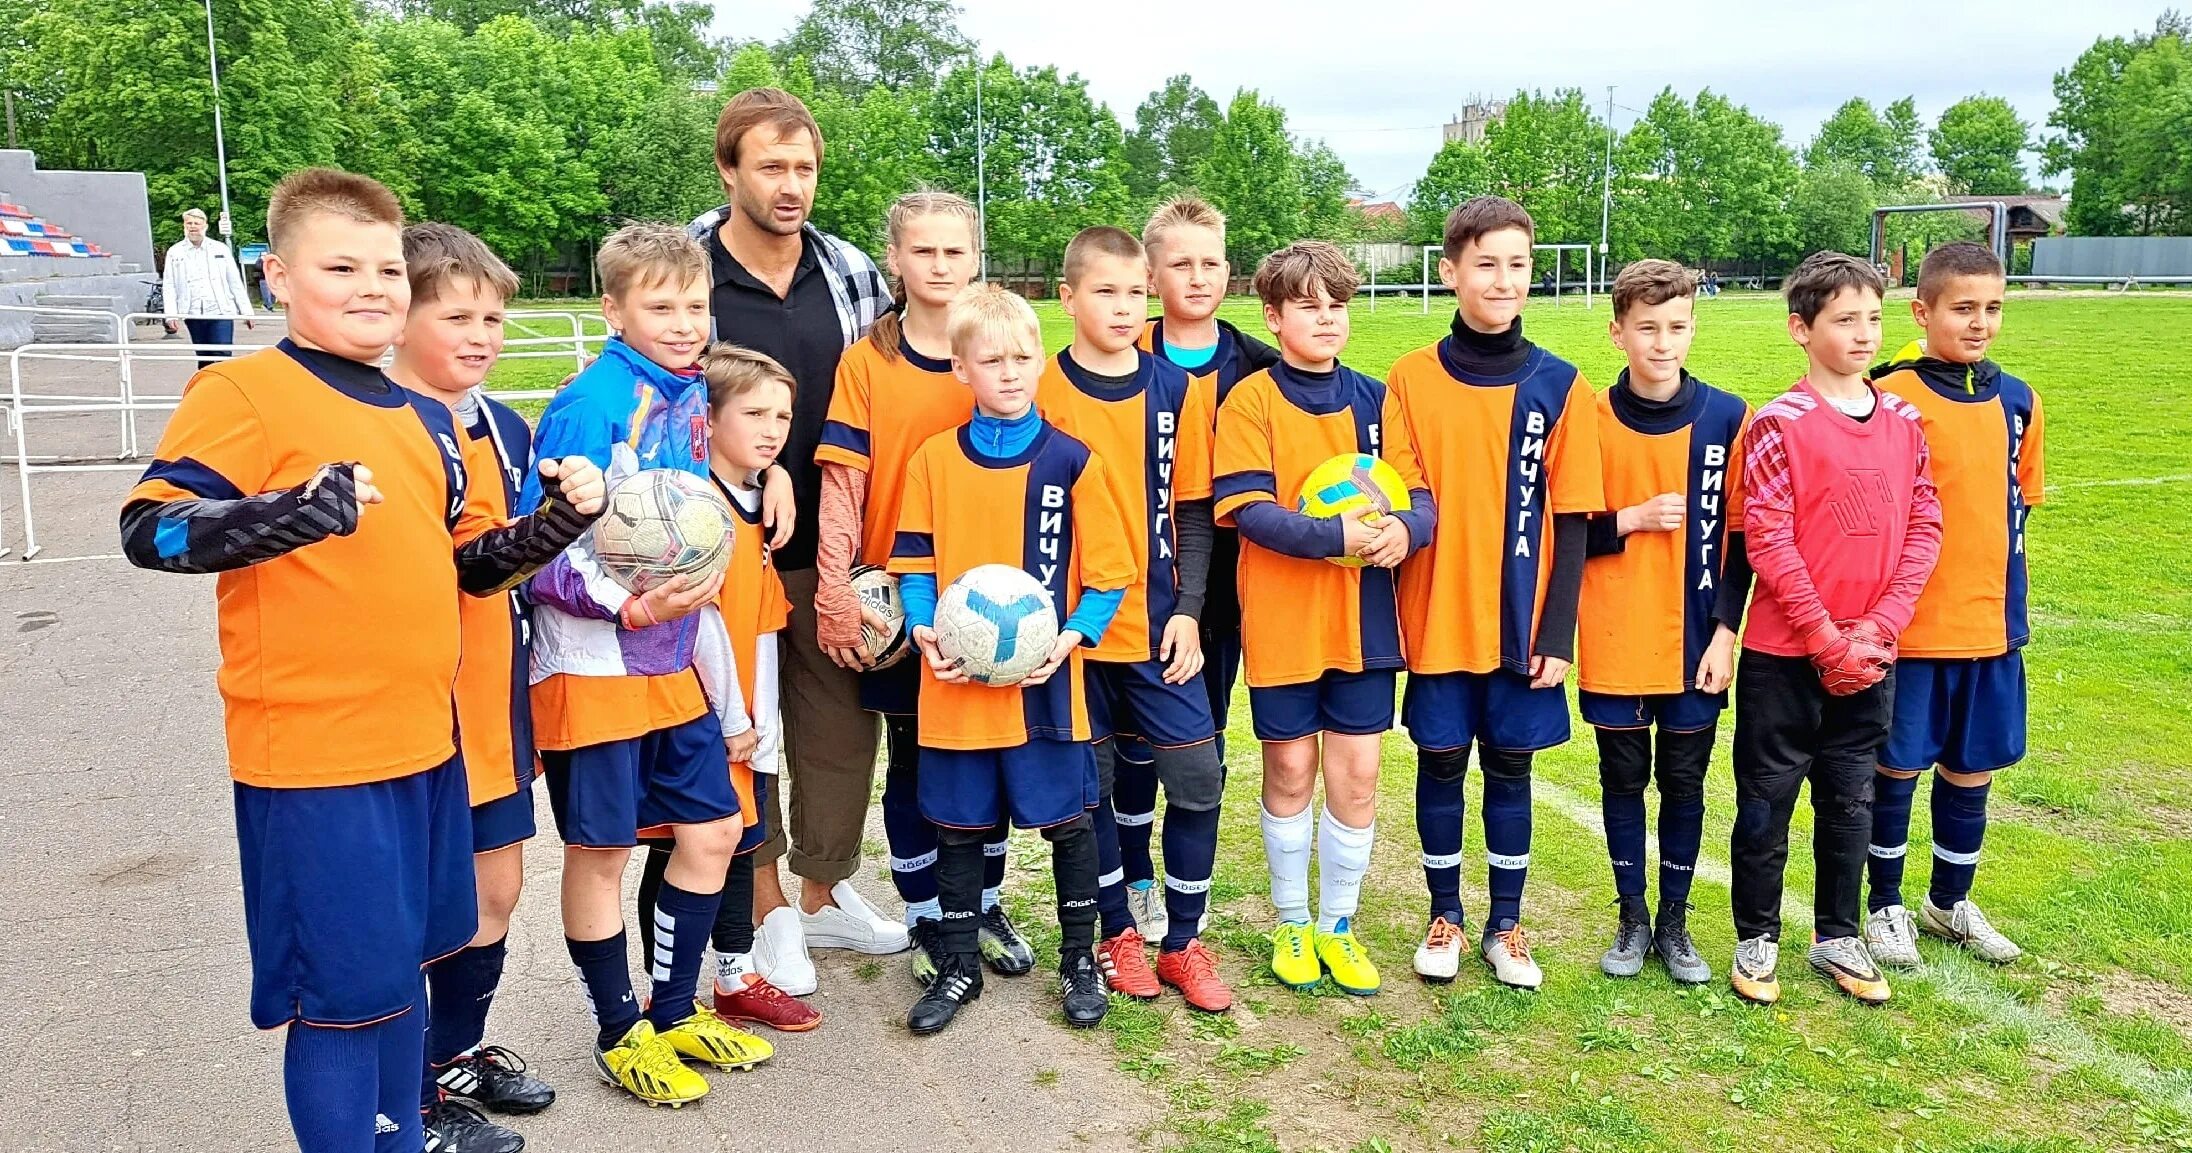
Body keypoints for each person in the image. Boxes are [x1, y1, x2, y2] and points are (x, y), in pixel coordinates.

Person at [117, 168, 603, 1153]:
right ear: (278, 278)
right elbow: (147, 526)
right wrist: (278, 515)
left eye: (387, 267)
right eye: (342, 265)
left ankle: (406, 1132)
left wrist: (556, 522)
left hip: (427, 751)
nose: (373, 284)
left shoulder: (425, 420)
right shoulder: (243, 389)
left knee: (397, 980)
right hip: (314, 764)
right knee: (340, 1001)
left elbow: (468, 568)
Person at [522, 222, 771, 1107]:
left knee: (711, 833)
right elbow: (539, 552)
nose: (681, 322)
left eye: (695, 305)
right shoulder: (592, 404)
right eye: (659, 305)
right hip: (592, 667)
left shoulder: (692, 396)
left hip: (673, 662)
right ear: (613, 308)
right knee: (601, 852)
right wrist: (620, 604)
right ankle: (617, 1029)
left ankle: (671, 1012)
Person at [689, 86, 908, 974]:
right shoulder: (687, 271)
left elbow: (881, 393)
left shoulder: (850, 270)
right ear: (728, 167)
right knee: (741, 730)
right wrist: (754, 466)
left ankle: (821, 892)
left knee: (840, 726)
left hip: (835, 545)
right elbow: (661, 407)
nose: (791, 185)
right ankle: (764, 903)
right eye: (771, 166)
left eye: (804, 168)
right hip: (724, 541)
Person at [889, 284, 1138, 1035]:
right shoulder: (933, 460)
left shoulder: (1073, 460)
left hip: (1047, 689)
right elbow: (916, 562)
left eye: (1023, 357)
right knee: (959, 828)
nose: (1010, 371)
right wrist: (926, 629)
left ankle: (1078, 958)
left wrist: (1068, 639)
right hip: (957, 688)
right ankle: (960, 963)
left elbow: (1109, 575)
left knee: (1070, 824)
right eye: (990, 359)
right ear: (960, 367)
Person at [812, 191, 1033, 987]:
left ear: (975, 257)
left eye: (955, 251)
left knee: (994, 756)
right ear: (895, 262)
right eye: (923, 252)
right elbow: (843, 481)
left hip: (998, 603)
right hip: (906, 599)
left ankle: (983, 899)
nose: (940, 266)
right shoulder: (868, 361)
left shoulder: (999, 352)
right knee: (916, 754)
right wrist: (836, 587)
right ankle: (926, 910)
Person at [1383, 196, 1602, 991]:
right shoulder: (1407, 378)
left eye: (1517, 264)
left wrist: (1559, 632)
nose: (1503, 279)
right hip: (1438, 614)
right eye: (1486, 263)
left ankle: (1506, 924)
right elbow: (1404, 495)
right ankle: (1445, 913)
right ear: (1450, 273)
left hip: (1521, 623)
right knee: (1440, 762)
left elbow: (1574, 518)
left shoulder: (1561, 385)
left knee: (1510, 768)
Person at [1214, 241, 1434, 997]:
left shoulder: (1376, 400)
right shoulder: (1250, 400)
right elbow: (1249, 510)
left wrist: (1408, 529)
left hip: (1364, 623)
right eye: (1307, 305)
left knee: (1360, 775)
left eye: (1336, 305)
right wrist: (1338, 536)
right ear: (1274, 316)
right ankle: (1291, 920)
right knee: (1290, 768)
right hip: (1283, 619)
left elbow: (1418, 493)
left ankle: (1339, 924)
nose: (1325, 318)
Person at [1727, 251, 1942, 1007]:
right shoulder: (1779, 424)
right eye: (1844, 319)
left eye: (1873, 318)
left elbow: (1925, 525)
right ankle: (1756, 936)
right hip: (1787, 657)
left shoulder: (1906, 420)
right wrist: (1824, 637)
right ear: (1800, 328)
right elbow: (1770, 539)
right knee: (1767, 801)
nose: (1862, 333)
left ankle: (1837, 934)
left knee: (1851, 799)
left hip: (1873, 654)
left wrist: (1880, 628)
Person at [387, 222, 557, 1153]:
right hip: (413, 708)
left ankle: (453, 1052)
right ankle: (407, 1094)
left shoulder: (505, 424)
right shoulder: (381, 422)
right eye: (456, 314)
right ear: (401, 314)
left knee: (496, 893)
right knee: (420, 908)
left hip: (494, 695)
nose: (482, 332)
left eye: (494, 315)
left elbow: (511, 559)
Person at [1037, 226, 1230, 1012]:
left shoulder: (1175, 390)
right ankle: (1116, 932)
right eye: (1105, 291)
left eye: (1133, 292)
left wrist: (1187, 611)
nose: (1123, 307)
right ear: (1069, 297)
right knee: (1093, 792)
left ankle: (1182, 939)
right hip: (1074, 637)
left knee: (1198, 779)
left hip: (1157, 629)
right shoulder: (1042, 389)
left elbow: (1192, 512)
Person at [1862, 242, 2041, 969]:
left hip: (1992, 625)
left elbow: (2019, 504)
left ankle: (1949, 900)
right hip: (1912, 631)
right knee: (1896, 768)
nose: (1979, 323)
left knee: (1972, 769)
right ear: (1922, 310)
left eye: (1992, 308)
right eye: (1963, 308)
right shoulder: (1890, 395)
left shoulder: (2018, 398)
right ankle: (1883, 906)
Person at [636, 346, 822, 1036]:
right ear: (707, 419)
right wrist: (732, 716)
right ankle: (664, 994)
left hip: (749, 715)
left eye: (783, 415)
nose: (773, 427)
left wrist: (761, 720)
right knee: (680, 846)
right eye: (754, 413)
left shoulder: (752, 495)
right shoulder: (694, 506)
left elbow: (757, 622)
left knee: (745, 840)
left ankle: (734, 976)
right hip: (705, 717)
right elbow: (702, 626)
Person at [1576, 259, 1751, 986]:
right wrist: (1632, 518)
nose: (1662, 342)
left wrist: (1725, 631)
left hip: (1694, 644)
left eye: (1676, 327)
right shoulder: (1586, 418)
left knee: (1685, 782)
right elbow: (1561, 531)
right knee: (1623, 780)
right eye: (1646, 327)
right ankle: (1631, 915)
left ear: (1692, 328)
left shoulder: (1726, 416)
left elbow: (1743, 537)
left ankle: (1675, 921)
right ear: (1618, 331)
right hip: (1615, 638)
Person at [1123, 195, 1280, 945]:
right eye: (1179, 263)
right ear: (1151, 275)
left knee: (1200, 744)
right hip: (1133, 591)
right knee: (1128, 746)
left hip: (1224, 593)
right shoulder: (1123, 355)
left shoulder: (1259, 367)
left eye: (1210, 262)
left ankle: (1186, 886)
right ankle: (1136, 879)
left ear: (1229, 272)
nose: (1197, 276)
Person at [161, 207, 256, 368]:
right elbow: (169, 285)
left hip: (220, 311)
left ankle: (224, 390)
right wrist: (171, 315)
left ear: (205, 226)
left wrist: (247, 312)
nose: (192, 227)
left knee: (223, 355)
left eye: (196, 223)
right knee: (204, 357)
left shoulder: (220, 249)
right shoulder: (175, 252)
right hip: (193, 312)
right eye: (189, 223)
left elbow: (234, 282)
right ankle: (206, 390)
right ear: (184, 226)